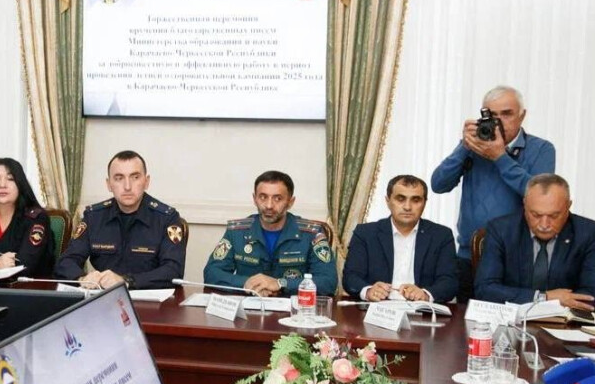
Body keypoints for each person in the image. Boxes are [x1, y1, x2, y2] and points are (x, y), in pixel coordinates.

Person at [431, 85, 555, 302]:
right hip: (469, 256)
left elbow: (540, 196)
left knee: (515, 319)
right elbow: (438, 184)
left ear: (522, 116)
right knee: (464, 320)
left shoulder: (541, 149)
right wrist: (464, 146)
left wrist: (500, 157)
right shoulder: (474, 147)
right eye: (492, 115)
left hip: (516, 258)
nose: (498, 122)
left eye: (507, 114)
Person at [55, 151, 185, 289]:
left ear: (146, 182)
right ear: (109, 184)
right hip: (103, 297)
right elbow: (65, 262)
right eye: (119, 178)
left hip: (149, 298)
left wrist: (127, 281)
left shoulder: (167, 218)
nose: (127, 186)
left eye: (135, 177)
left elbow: (173, 270)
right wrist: (82, 278)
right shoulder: (94, 217)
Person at [204, 170, 336, 297]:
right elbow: (211, 273)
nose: (269, 205)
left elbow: (328, 281)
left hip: (293, 308)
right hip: (249, 305)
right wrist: (246, 283)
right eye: (263, 197)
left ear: (290, 202)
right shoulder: (236, 232)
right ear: (254, 199)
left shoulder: (311, 233)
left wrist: (281, 284)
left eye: (277, 198)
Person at [474, 174, 595, 308]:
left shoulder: (588, 233)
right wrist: (544, 298)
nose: (544, 224)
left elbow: (591, 294)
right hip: (512, 316)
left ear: (568, 206)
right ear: (525, 204)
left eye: (554, 216)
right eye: (536, 215)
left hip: (565, 319)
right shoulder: (501, 230)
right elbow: (485, 289)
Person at [343, 175, 458, 303]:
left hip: (421, 310)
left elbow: (449, 281)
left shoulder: (441, 235)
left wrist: (425, 294)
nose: (407, 207)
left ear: (424, 203)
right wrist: (369, 291)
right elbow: (351, 277)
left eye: (415, 200)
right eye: (400, 199)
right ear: (388, 201)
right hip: (377, 308)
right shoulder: (365, 233)